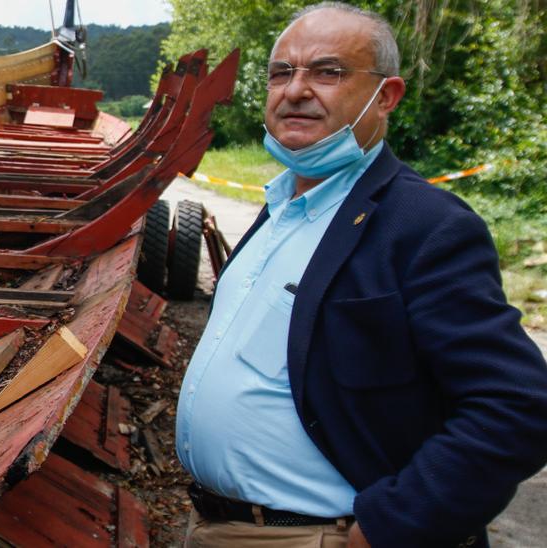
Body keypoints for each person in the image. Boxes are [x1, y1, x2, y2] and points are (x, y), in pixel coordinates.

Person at [174, 3, 547, 547]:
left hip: (319, 536)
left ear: (387, 96)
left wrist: (391, 525)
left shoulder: (425, 226)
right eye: (282, 72)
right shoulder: (279, 207)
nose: (296, 90)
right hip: (216, 524)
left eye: (328, 72)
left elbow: (516, 405)